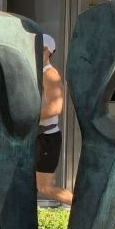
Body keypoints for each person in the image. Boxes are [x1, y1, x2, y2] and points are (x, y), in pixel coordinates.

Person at [36, 34, 73, 205]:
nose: (36, 51)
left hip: (47, 138)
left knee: (45, 188)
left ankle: (86, 208)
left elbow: (56, 108)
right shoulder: (37, 71)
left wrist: (28, 118)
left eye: (41, 48)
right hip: (38, 137)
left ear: (49, 52)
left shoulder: (49, 74)